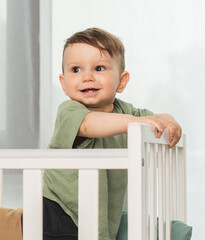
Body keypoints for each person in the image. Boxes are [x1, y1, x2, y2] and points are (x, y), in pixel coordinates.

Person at [42, 28, 182, 240]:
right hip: (60, 212)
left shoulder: (125, 112)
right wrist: (136, 122)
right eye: (76, 70)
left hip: (98, 214)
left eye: (99, 68)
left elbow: (156, 117)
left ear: (121, 81)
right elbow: (90, 125)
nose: (87, 77)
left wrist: (169, 121)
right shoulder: (69, 111)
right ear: (63, 83)